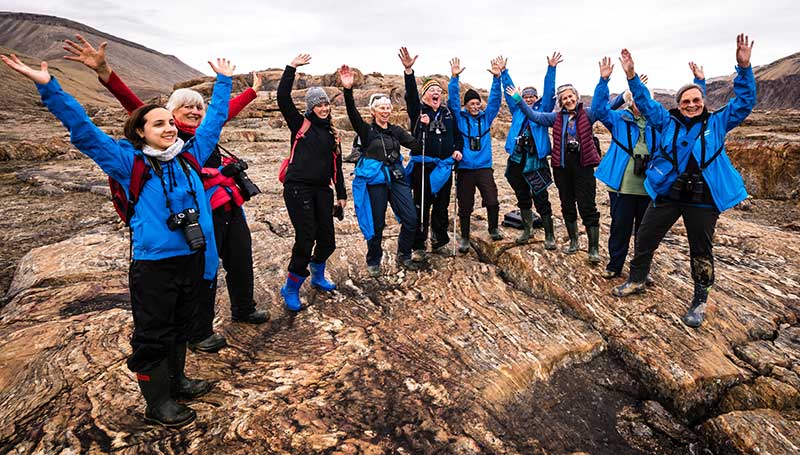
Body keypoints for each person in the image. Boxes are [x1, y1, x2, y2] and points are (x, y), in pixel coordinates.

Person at [2, 52, 234, 427]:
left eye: (169, 122)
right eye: (157, 124)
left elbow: (215, 120)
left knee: (181, 324)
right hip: (155, 265)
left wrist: (223, 82)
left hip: (194, 258)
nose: (168, 128)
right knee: (153, 333)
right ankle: (157, 402)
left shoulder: (190, 156)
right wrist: (50, 88)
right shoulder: (129, 163)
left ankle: (178, 381)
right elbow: (85, 134)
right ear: (140, 132)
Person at [63, 35, 267, 355]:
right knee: (203, 270)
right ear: (168, 114)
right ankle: (198, 331)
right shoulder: (162, 134)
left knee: (239, 259)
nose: (194, 111)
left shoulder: (199, 136)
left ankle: (243, 307)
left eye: (198, 106)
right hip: (196, 213)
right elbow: (132, 102)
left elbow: (220, 114)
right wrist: (105, 73)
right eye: (185, 107)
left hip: (228, 205)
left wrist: (252, 91)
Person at [611, 35, 756, 328]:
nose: (691, 105)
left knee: (701, 250)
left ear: (703, 102)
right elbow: (644, 102)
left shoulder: (717, 122)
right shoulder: (666, 121)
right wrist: (631, 75)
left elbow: (745, 102)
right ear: (678, 105)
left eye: (696, 100)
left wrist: (744, 68)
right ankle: (638, 278)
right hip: (669, 193)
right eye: (686, 101)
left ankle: (700, 300)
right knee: (646, 236)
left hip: (703, 199)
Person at [593, 60, 707, 279]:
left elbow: (694, 115)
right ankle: (615, 265)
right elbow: (598, 109)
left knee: (645, 232)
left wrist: (699, 82)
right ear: (629, 100)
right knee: (620, 227)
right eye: (634, 98)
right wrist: (603, 80)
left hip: (651, 185)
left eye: (642, 97)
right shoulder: (618, 119)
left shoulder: (660, 123)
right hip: (623, 185)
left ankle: (640, 270)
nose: (638, 102)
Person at [505, 79, 603, 263]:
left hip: (583, 167)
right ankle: (574, 242)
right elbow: (533, 116)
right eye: (564, 98)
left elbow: (606, 105)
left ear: (576, 97)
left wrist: (609, 84)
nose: (568, 100)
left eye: (570, 96)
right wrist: (518, 99)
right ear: (560, 102)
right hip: (562, 167)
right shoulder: (556, 118)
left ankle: (593, 249)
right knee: (566, 204)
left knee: (587, 206)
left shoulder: (588, 114)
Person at [277, 54, 346, 311]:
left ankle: (317, 276)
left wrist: (341, 195)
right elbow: (283, 98)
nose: (324, 108)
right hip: (297, 188)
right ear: (310, 107)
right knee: (306, 237)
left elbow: (336, 167)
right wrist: (291, 68)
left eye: (326, 104)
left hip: (322, 190)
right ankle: (291, 288)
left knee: (328, 240)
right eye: (318, 105)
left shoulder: (332, 133)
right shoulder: (300, 125)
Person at [339, 64, 422, 276]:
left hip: (397, 178)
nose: (385, 111)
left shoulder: (396, 131)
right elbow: (352, 114)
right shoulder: (367, 131)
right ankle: (373, 259)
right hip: (375, 181)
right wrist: (348, 90)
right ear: (373, 111)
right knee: (377, 223)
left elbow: (416, 144)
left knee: (411, 219)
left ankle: (404, 255)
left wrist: (424, 125)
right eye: (381, 108)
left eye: (388, 107)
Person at [398, 47, 463, 261]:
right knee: (422, 204)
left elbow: (457, 135)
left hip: (444, 166)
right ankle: (418, 244)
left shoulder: (447, 112)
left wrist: (457, 150)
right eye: (431, 90)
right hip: (423, 167)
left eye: (438, 90)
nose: (436, 93)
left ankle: (439, 240)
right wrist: (409, 71)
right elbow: (410, 95)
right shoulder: (418, 111)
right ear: (425, 95)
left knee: (442, 204)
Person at [499, 52, 561, 246]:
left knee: (541, 194)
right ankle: (527, 231)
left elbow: (549, 89)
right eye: (525, 96)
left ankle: (549, 235)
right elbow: (509, 90)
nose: (528, 99)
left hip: (536, 158)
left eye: (532, 96)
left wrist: (551, 69)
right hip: (518, 157)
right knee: (522, 194)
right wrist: (503, 72)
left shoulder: (544, 108)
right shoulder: (516, 108)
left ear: (537, 98)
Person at [448, 56, 504, 253]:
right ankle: (464, 237)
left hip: (484, 167)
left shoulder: (486, 118)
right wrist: (454, 78)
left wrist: (497, 79)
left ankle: (493, 228)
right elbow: (453, 101)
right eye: (471, 103)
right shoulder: (459, 118)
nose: (475, 106)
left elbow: (496, 101)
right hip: (464, 169)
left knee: (492, 200)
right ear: (466, 105)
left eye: (477, 103)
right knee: (465, 205)